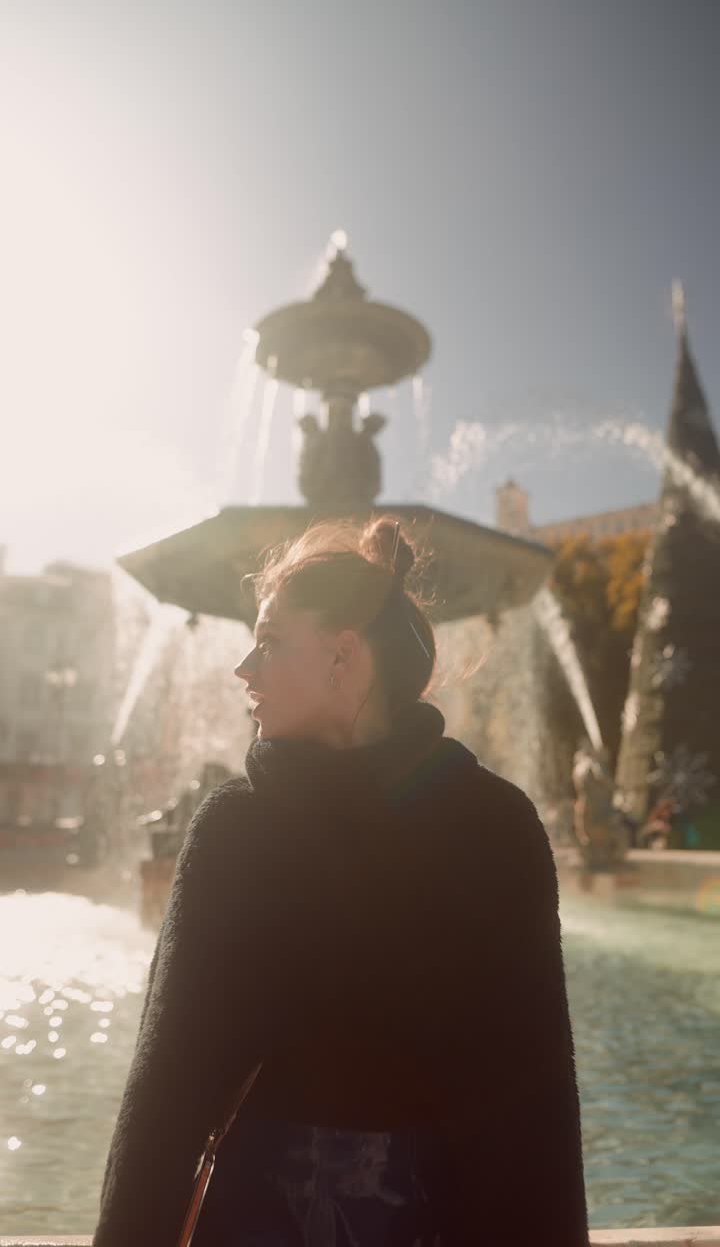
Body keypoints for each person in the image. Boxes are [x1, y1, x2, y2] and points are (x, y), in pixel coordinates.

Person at [94, 517, 589, 1247]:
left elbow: (167, 1095)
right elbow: (539, 1106)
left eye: (268, 641)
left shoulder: (243, 830)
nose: (242, 669)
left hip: (265, 1221)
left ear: (342, 656)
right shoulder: (495, 826)